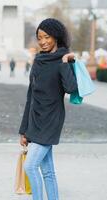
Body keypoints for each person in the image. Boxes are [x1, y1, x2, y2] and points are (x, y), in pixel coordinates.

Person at [18, 18, 77, 200]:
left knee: (30, 166)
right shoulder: (38, 60)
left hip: (51, 120)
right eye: (39, 38)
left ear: (56, 37)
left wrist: (66, 63)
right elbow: (31, 96)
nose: (43, 41)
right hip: (35, 120)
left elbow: (71, 88)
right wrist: (24, 130)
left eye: (47, 37)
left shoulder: (65, 59)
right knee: (47, 171)